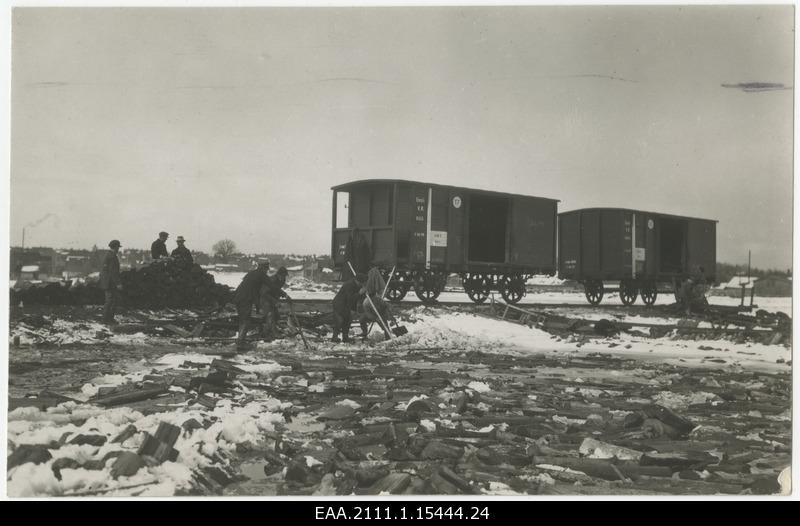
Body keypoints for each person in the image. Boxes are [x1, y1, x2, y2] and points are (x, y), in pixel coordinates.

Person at [232, 261, 270, 349]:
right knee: (245, 321)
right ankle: (240, 343)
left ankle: (241, 340)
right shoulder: (261, 275)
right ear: (264, 268)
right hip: (245, 299)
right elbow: (270, 285)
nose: (266, 271)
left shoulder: (251, 273)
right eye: (266, 269)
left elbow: (252, 291)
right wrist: (284, 295)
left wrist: (257, 307)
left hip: (239, 298)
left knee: (243, 320)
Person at [331, 273, 367, 343]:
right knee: (339, 321)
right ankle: (334, 338)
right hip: (340, 304)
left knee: (347, 321)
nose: (362, 285)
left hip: (347, 305)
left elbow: (356, 299)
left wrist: (354, 309)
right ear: (358, 281)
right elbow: (350, 298)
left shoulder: (357, 285)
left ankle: (345, 337)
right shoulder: (349, 285)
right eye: (362, 283)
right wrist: (359, 293)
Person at [259, 267, 292, 341]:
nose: (284, 277)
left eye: (285, 276)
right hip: (265, 299)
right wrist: (275, 302)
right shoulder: (271, 280)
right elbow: (264, 293)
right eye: (283, 275)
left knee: (276, 316)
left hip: (273, 299)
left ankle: (267, 332)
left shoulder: (282, 280)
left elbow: (277, 289)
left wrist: (286, 295)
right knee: (270, 315)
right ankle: (273, 333)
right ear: (279, 274)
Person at [99, 240, 122, 324]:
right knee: (110, 301)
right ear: (115, 247)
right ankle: (106, 320)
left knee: (111, 300)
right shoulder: (112, 256)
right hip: (110, 282)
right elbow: (113, 272)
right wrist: (118, 283)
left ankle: (108, 319)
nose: (118, 249)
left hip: (108, 281)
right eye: (118, 247)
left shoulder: (108, 255)